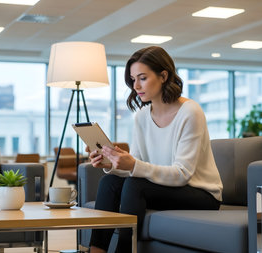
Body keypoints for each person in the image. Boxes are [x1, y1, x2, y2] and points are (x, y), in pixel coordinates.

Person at [87, 46, 223, 253]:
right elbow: (139, 164)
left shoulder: (190, 112)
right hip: (163, 185)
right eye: (133, 80)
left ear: (163, 76)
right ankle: (95, 251)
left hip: (201, 192)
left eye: (142, 78)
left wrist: (134, 166)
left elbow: (182, 174)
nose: (136, 86)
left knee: (135, 185)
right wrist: (111, 163)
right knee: (109, 181)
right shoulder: (141, 116)